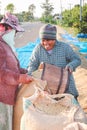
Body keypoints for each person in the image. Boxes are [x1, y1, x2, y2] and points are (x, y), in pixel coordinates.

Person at [28, 24, 81, 99]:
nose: (46, 43)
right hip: (48, 89)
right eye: (43, 40)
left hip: (66, 86)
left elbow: (77, 59)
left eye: (48, 40)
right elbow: (33, 64)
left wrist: (71, 65)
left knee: (71, 106)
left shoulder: (64, 47)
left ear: (54, 39)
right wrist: (29, 75)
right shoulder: (38, 48)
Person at [0, 12, 33, 130]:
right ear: (6, 28)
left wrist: (23, 71)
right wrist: (19, 78)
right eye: (15, 32)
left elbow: (11, 67)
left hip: (7, 96)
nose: (15, 35)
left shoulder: (5, 44)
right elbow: (1, 73)